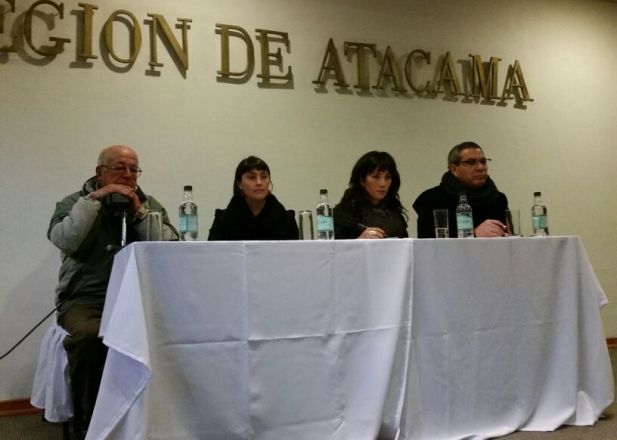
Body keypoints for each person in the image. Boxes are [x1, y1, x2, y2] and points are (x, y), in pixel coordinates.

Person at [48, 145, 178, 439]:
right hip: (86, 300)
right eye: (120, 168)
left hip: (138, 298)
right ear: (100, 172)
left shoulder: (148, 204)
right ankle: (91, 422)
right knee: (91, 337)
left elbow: (169, 249)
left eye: (134, 169)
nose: (128, 175)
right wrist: (94, 201)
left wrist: (139, 213)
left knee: (177, 333)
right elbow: (65, 240)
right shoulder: (74, 202)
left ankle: (159, 419)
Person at [413, 141, 509, 238]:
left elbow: (508, 235)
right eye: (471, 162)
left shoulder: (498, 198)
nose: (481, 167)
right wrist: (474, 234)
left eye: (483, 162)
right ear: (454, 169)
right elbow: (426, 243)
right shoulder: (431, 199)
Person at [208, 156, 299, 240]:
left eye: (264, 177)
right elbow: (213, 255)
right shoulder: (223, 221)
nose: (259, 182)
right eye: (252, 177)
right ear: (239, 183)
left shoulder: (286, 220)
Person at [334, 151, 408, 239]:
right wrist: (359, 241)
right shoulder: (344, 212)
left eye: (388, 177)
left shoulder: (394, 212)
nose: (383, 184)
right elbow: (334, 250)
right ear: (362, 180)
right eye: (376, 176)